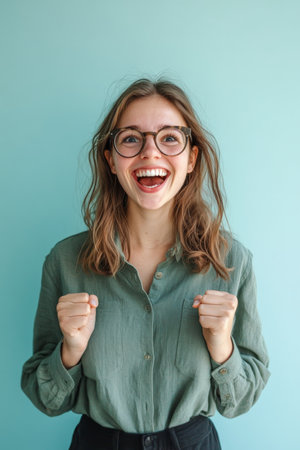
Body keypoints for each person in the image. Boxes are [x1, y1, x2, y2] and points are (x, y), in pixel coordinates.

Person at [21, 78, 270, 450]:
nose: (150, 153)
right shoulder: (64, 261)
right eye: (131, 138)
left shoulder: (231, 261)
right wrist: (69, 351)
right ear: (111, 160)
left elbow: (244, 398)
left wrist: (223, 348)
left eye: (169, 137)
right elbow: (45, 397)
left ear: (191, 158)